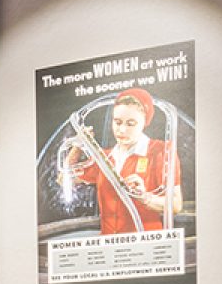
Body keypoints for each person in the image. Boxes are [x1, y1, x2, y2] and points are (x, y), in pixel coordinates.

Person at [66, 87, 182, 235]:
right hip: (109, 246)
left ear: (144, 122)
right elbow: (64, 179)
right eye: (117, 122)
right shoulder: (104, 158)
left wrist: (144, 197)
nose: (121, 130)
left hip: (146, 244)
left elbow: (176, 204)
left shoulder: (160, 152)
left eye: (130, 124)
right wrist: (78, 147)